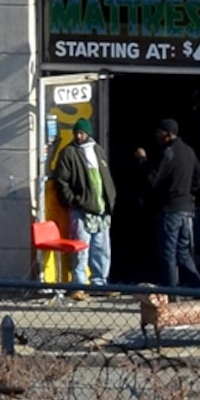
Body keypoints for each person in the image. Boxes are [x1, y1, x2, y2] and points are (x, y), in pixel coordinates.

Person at [137, 118, 200, 289]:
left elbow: (152, 180)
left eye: (159, 134)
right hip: (186, 209)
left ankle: (170, 291)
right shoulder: (189, 151)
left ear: (167, 135)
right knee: (183, 252)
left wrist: (142, 161)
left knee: (168, 253)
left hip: (170, 209)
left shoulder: (168, 153)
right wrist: (186, 192)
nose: (156, 137)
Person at [51, 124, 115, 289]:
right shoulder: (69, 152)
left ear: (88, 133)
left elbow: (104, 177)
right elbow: (61, 180)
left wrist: (110, 200)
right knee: (81, 249)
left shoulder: (97, 150)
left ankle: (99, 283)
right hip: (81, 210)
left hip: (101, 209)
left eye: (82, 132)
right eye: (76, 133)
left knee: (101, 249)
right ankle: (79, 285)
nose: (78, 136)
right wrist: (73, 200)